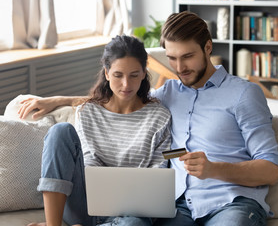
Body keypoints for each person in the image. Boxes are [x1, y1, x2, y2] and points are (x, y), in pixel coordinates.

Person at [20, 11, 278, 226]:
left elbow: (270, 170)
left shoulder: (244, 94)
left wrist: (214, 169)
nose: (180, 68)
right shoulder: (169, 92)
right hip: (181, 208)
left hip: (231, 203)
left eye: (188, 56)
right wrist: (59, 100)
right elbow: (121, 95)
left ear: (208, 48)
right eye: (172, 59)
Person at [25, 35, 172, 226]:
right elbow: (89, 159)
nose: (126, 85)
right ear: (107, 73)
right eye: (118, 75)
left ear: (144, 73)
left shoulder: (160, 116)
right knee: (60, 131)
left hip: (131, 214)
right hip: (83, 205)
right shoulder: (88, 111)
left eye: (134, 75)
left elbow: (158, 173)